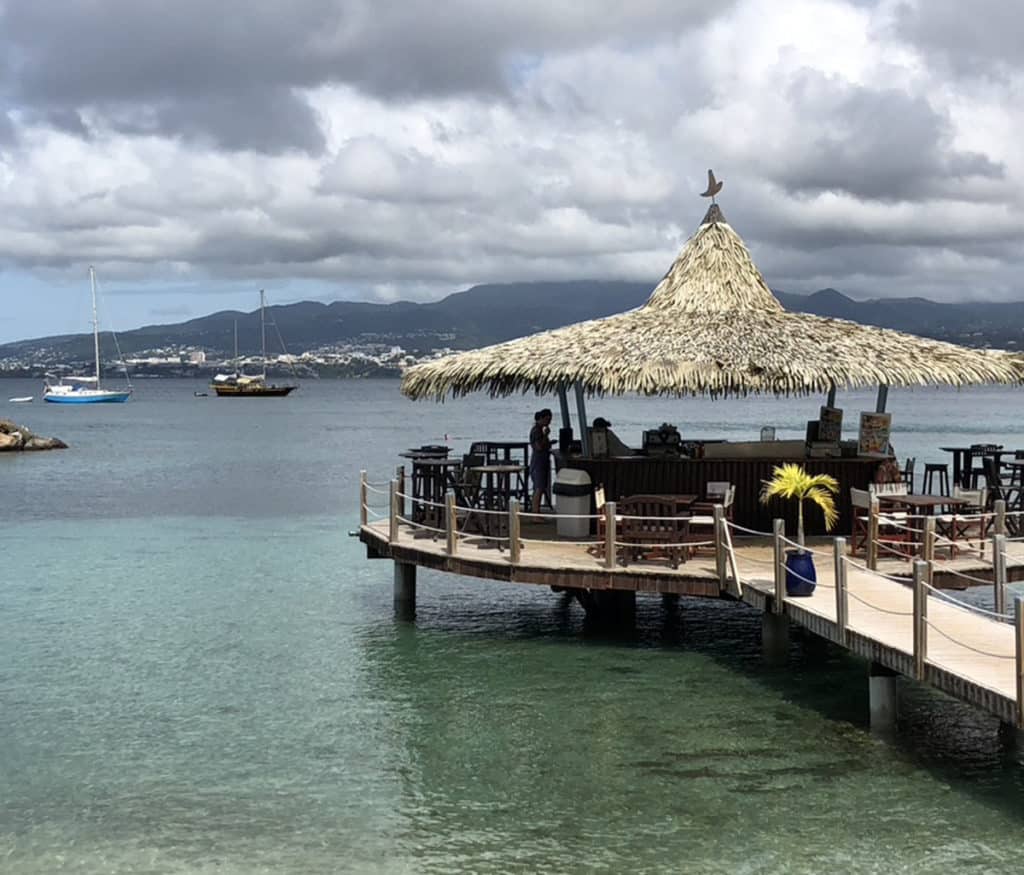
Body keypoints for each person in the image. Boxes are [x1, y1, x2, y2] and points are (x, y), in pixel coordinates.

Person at [529, 408, 553, 513]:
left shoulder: (539, 430)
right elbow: (538, 447)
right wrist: (546, 436)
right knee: (538, 488)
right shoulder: (536, 431)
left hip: (541, 461)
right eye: (547, 419)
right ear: (541, 418)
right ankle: (535, 513)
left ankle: (536, 512)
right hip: (538, 462)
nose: (548, 422)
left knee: (540, 487)